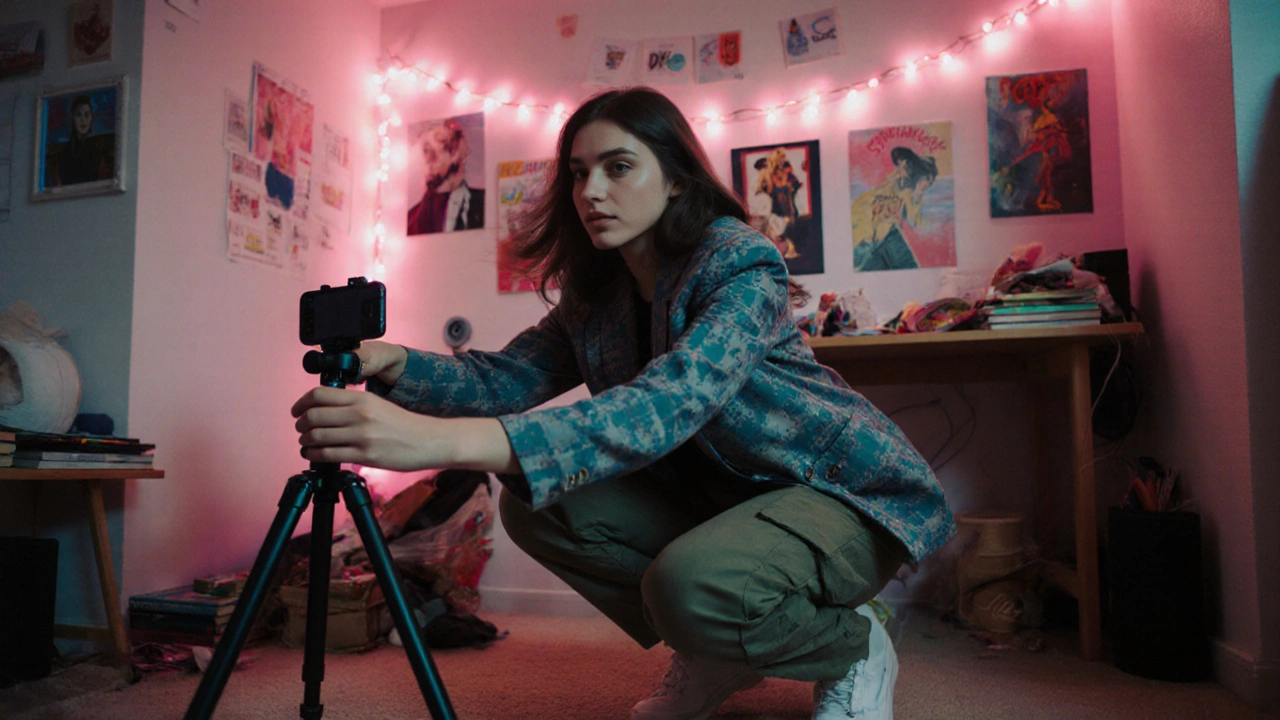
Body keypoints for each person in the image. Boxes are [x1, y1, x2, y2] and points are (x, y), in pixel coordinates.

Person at [292, 86, 954, 720]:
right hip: (727, 502)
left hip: (839, 496)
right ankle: (715, 650)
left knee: (691, 585)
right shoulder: (597, 294)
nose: (591, 192)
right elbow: (507, 379)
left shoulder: (740, 264)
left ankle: (852, 646)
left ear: (675, 180)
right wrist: (396, 363)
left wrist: (436, 443)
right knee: (537, 501)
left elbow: (671, 400)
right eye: (580, 174)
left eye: (618, 167)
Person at [851, 146, 937, 272]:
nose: (901, 167)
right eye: (901, 163)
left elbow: (914, 221)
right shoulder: (898, 184)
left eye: (905, 163)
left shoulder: (907, 188)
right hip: (869, 232)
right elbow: (913, 219)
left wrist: (918, 194)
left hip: (882, 235)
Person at [406, 117, 485, 234]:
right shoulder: (412, 219)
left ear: (454, 153)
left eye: (430, 151)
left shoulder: (482, 203)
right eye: (424, 152)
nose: (426, 160)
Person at [45, 94, 113, 187]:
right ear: (73, 118)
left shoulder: (98, 153)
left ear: (91, 118)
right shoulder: (62, 154)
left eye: (86, 115)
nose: (83, 120)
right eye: (79, 115)